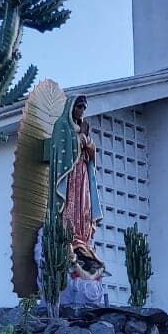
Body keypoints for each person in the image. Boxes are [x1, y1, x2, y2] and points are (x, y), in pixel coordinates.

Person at [46, 93, 105, 280]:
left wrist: (88, 145)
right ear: (72, 107)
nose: (82, 111)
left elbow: (91, 151)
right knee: (71, 204)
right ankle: (70, 238)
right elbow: (60, 147)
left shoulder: (84, 127)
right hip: (69, 174)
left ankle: (82, 240)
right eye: (79, 106)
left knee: (84, 206)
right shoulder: (62, 126)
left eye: (84, 108)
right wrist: (79, 141)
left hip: (83, 173)